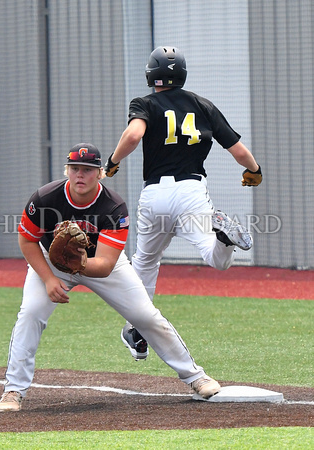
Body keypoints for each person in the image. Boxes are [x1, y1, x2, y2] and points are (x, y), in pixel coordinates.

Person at [0, 142, 221, 412]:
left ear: (100, 173)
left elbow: (104, 265)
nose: (81, 175)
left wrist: (77, 262)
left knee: (145, 315)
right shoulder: (45, 198)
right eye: (75, 168)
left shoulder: (113, 207)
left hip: (101, 263)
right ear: (67, 170)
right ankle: (13, 390)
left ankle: (196, 376)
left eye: (88, 170)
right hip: (50, 263)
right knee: (30, 313)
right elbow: (27, 241)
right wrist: (48, 278)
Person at [104, 46, 262, 361]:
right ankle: (223, 236)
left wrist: (111, 161)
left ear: (151, 75)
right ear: (182, 74)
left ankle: (136, 330)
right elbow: (238, 149)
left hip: (155, 194)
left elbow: (134, 136)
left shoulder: (144, 103)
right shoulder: (203, 105)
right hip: (191, 191)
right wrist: (254, 171)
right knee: (217, 259)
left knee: (145, 263)